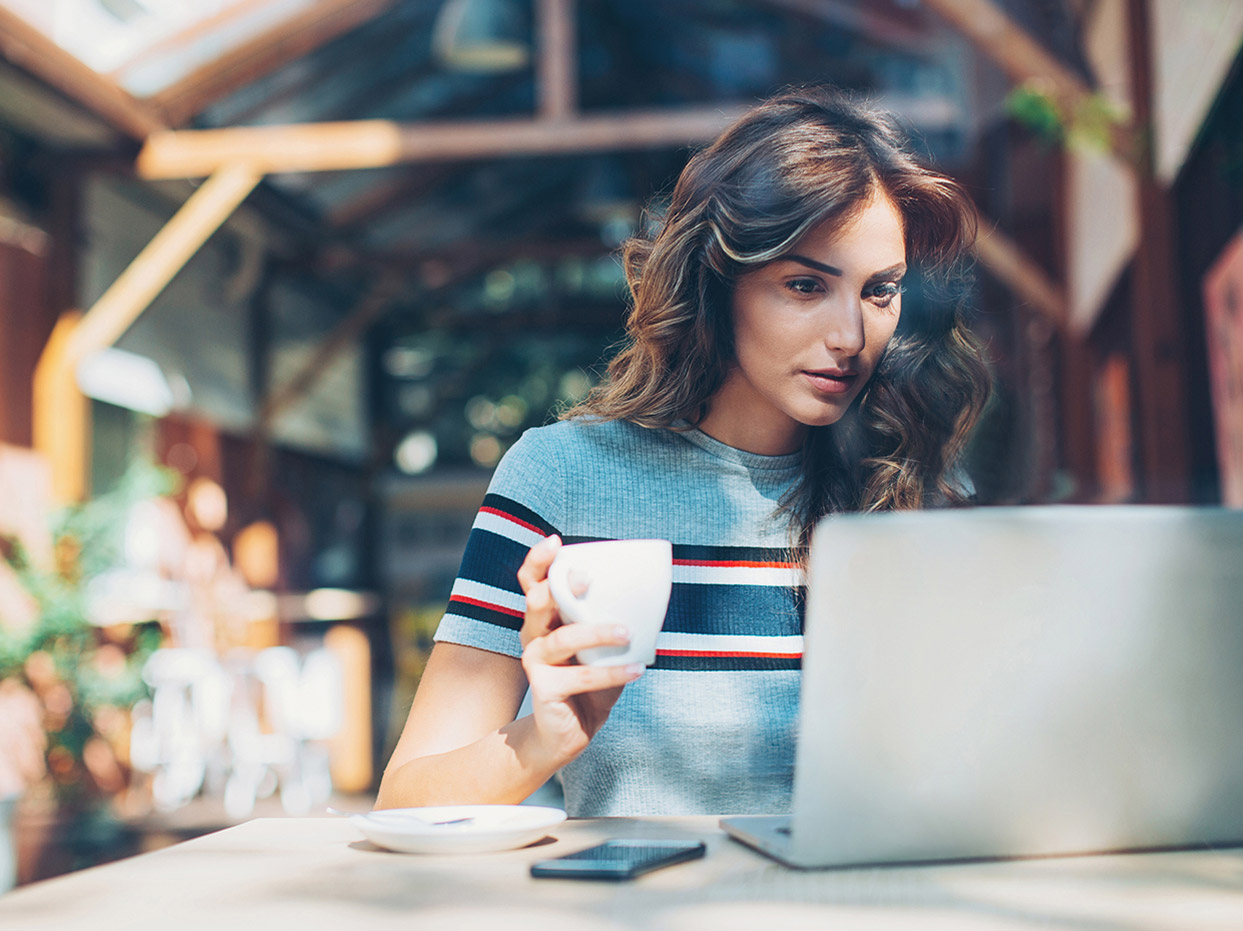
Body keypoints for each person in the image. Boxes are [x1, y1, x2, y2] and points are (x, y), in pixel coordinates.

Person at [376, 86, 991, 816]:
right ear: (717, 281)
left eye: (880, 291)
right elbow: (405, 802)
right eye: (805, 285)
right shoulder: (561, 479)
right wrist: (544, 738)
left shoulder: (921, 493)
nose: (852, 336)